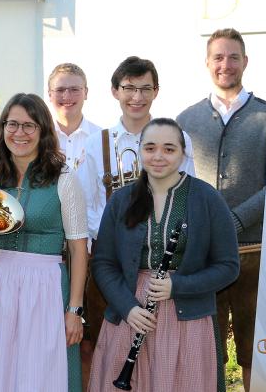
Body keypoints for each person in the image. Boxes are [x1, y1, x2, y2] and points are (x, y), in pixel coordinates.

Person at [0, 93, 88, 392]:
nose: (19, 133)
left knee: (43, 375)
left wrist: (74, 310)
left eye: (28, 125)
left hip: (46, 287)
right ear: (3, 128)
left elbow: (78, 249)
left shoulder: (64, 179)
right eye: (12, 124)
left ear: (43, 131)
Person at [88, 118, 239, 392]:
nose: (158, 156)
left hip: (187, 319)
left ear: (183, 154)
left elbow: (228, 266)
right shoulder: (121, 199)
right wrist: (128, 308)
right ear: (141, 150)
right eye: (150, 148)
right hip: (131, 313)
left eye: (169, 149)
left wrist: (177, 286)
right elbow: (103, 263)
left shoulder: (207, 198)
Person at [176, 28, 266, 392]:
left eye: (233, 57)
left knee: (253, 352)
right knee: (205, 351)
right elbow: (176, 181)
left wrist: (234, 219)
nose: (225, 65)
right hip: (202, 255)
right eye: (218, 57)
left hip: (254, 255)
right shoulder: (185, 119)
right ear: (207, 63)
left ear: (245, 62)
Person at [46, 62, 107, 388]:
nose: (67, 96)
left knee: (89, 338)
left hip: (92, 251)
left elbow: (102, 199)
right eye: (60, 90)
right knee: (51, 337)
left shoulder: (103, 139)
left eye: (74, 89)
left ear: (86, 93)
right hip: (48, 253)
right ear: (50, 94)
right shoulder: (36, 139)